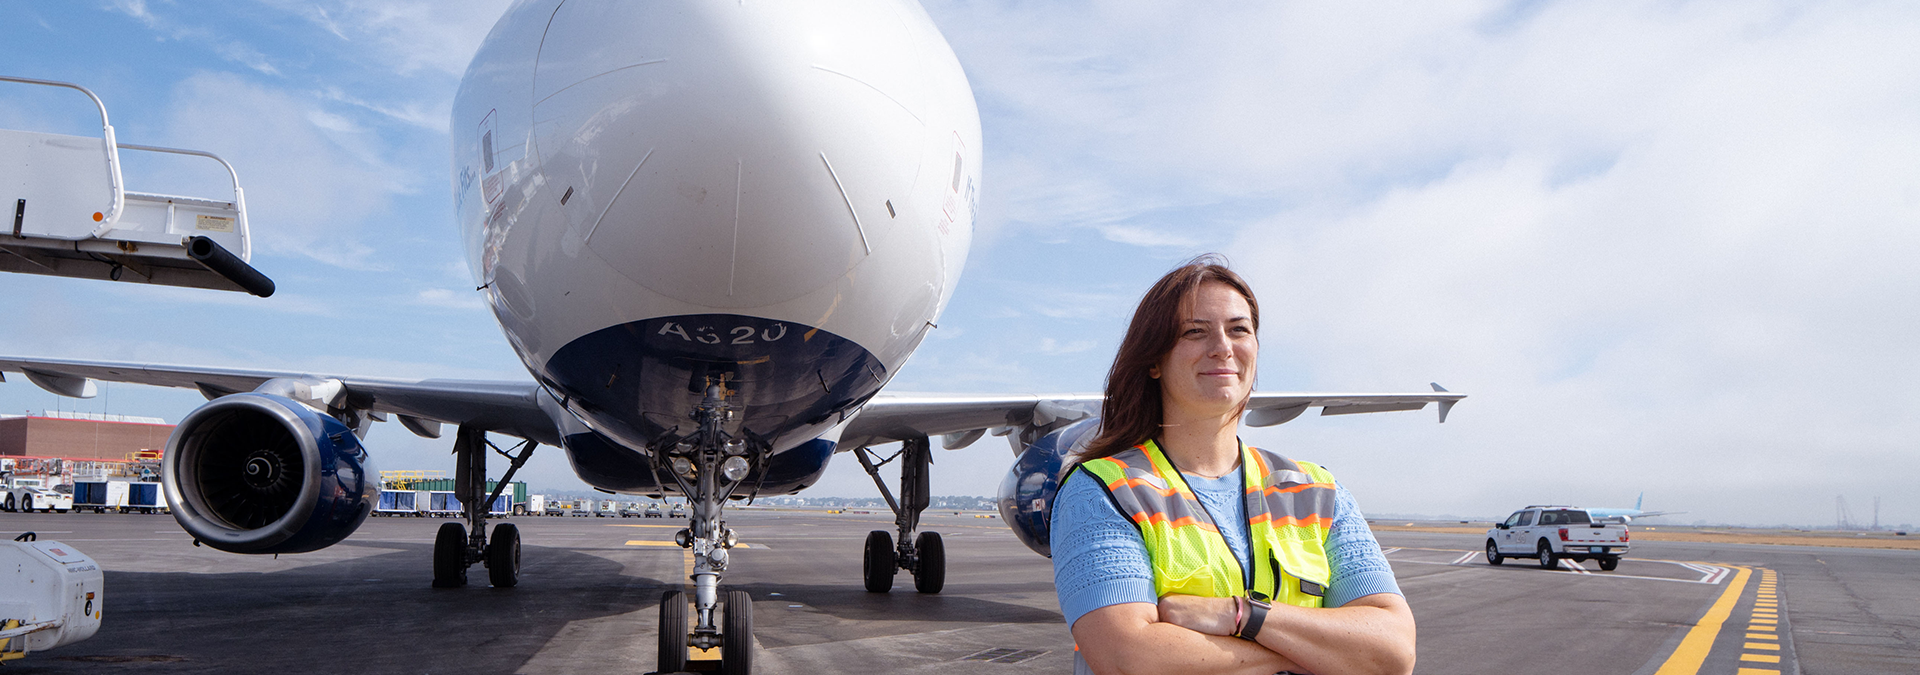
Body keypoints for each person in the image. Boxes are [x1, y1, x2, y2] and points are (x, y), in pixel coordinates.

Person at [1050, 255, 1416, 675]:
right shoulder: (1104, 491)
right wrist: (1318, 654)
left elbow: (1393, 652)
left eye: (1239, 329)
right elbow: (1130, 658)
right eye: (1195, 332)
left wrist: (1241, 616)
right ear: (1153, 360)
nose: (1222, 347)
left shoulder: (1315, 491)